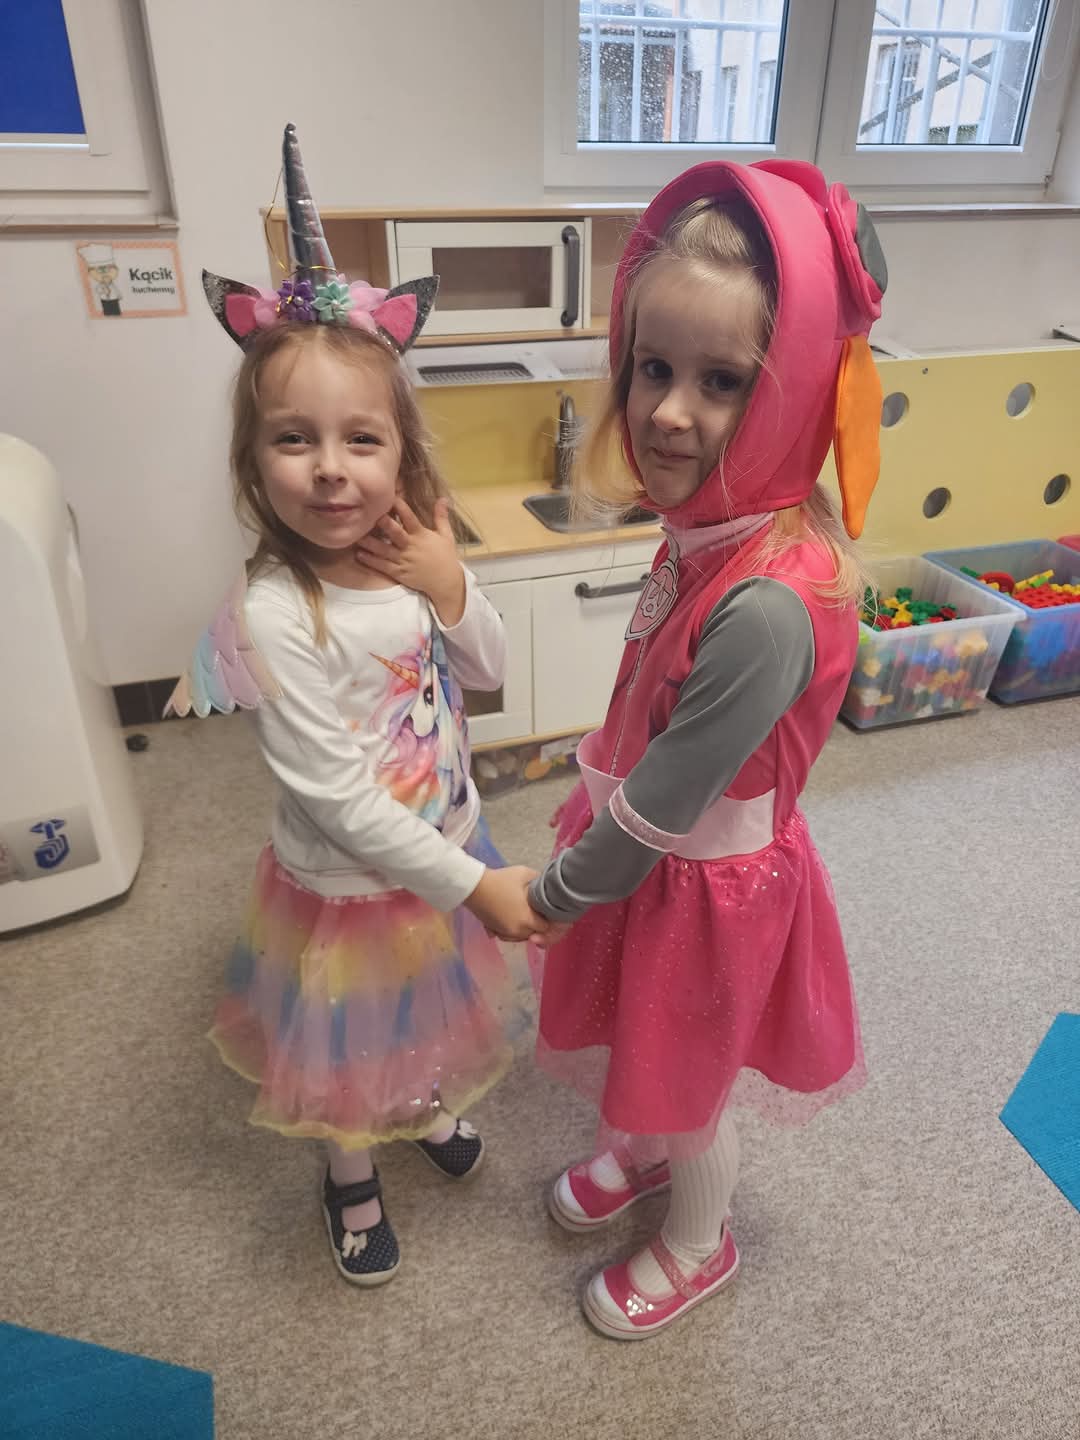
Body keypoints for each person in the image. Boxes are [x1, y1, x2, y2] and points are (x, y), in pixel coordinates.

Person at [169, 125, 545, 1286]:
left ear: (399, 452)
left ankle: (420, 1106)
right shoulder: (274, 612)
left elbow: (490, 670)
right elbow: (335, 798)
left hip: (444, 844)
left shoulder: (407, 558)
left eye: (361, 439)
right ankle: (348, 1174)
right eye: (296, 439)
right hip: (347, 887)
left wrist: (453, 583)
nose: (332, 467)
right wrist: (472, 886)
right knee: (342, 1052)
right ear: (255, 462)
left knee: (421, 1016)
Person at [527, 159, 888, 1338]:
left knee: (690, 1086)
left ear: (793, 395)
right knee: (650, 1042)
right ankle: (638, 1149)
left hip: (701, 881)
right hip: (658, 861)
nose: (670, 412)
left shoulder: (770, 602)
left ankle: (698, 1241)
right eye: (654, 368)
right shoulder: (712, 526)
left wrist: (558, 891)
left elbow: (666, 804)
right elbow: (652, 707)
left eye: (723, 381)